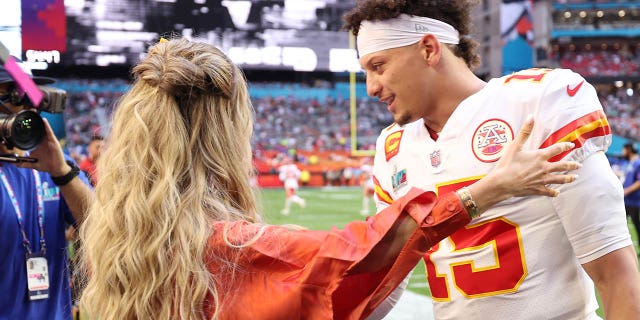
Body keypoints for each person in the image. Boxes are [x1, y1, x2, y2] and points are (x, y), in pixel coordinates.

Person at [77, 37, 580, 319]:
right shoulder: (232, 246)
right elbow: (355, 257)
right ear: (225, 134)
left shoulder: (117, 242)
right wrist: (489, 188)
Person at [343, 1, 640, 319]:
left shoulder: (537, 104)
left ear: (429, 49)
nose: (371, 88)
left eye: (378, 66)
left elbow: (614, 273)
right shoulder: (392, 147)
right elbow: (384, 284)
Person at [0, 65, 93, 318]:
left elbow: (99, 225)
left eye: (28, 96)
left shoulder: (53, 162)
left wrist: (61, 172)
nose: (26, 108)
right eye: (11, 96)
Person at [622, 143, 640, 250]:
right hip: (626, 200)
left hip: (634, 201)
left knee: (636, 224)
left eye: (623, 149)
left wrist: (626, 191)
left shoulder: (638, 163)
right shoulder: (629, 163)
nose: (622, 152)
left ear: (629, 149)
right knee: (620, 224)